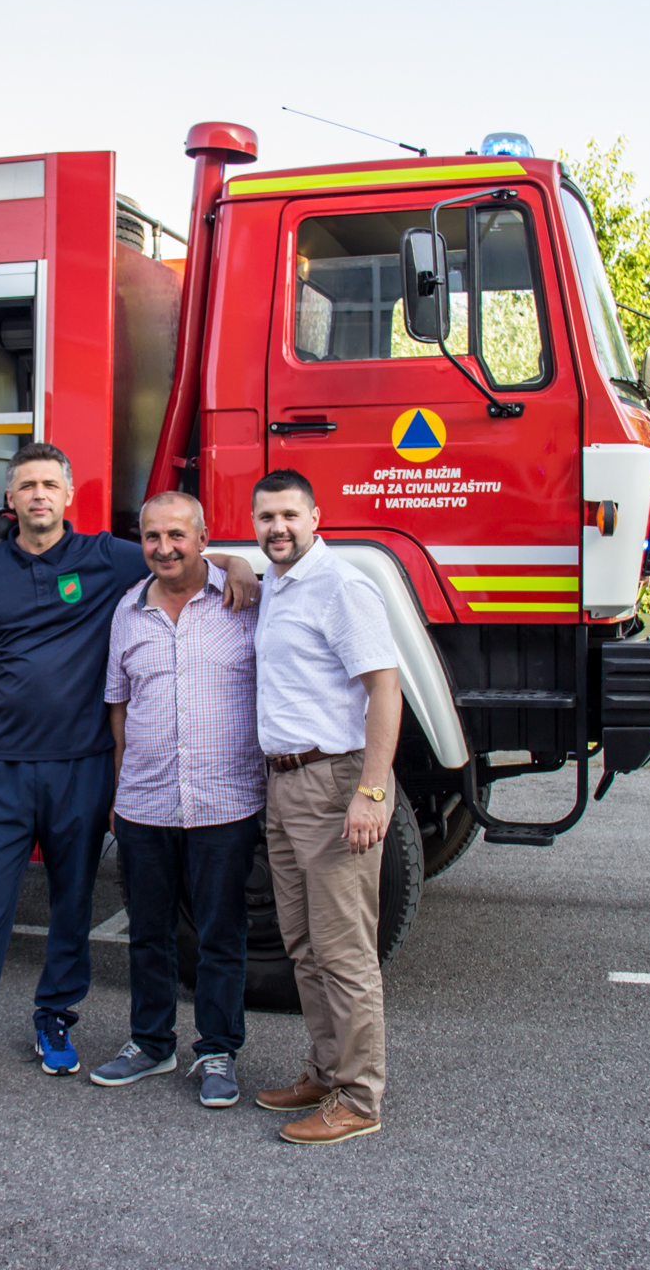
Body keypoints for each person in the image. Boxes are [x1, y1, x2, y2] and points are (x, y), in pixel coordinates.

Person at [0, 444, 259, 1101]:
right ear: (11, 500)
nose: (38, 495)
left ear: (68, 496)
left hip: (82, 766)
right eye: (26, 485)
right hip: (2, 767)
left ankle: (54, 1021)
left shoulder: (105, 557)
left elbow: (177, 555)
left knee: (70, 907)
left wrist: (236, 564)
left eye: (50, 484)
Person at [89, 490, 264, 1108]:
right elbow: (118, 704)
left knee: (221, 933)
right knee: (149, 933)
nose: (163, 548)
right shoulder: (127, 612)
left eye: (176, 535)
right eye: (152, 537)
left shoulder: (245, 601)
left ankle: (217, 1050)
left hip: (226, 800)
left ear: (203, 536)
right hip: (145, 801)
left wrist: (241, 567)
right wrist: (118, 786)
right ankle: (150, 1044)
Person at [247, 469, 403, 1145]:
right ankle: (324, 1070)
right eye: (265, 517)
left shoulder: (342, 585)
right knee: (304, 946)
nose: (276, 527)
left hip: (334, 779)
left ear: (316, 516)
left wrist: (371, 792)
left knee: (344, 952)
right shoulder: (278, 584)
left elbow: (385, 688)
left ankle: (359, 1098)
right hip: (285, 785)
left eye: (288, 515)